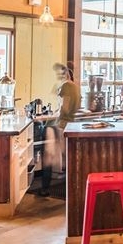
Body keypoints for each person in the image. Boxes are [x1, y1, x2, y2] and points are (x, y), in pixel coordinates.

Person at [40, 62, 82, 197]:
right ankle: (72, 186)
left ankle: (46, 188)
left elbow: (65, 106)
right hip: (70, 124)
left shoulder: (66, 87)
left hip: (62, 124)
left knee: (49, 155)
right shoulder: (75, 87)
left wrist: (56, 115)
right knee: (67, 156)